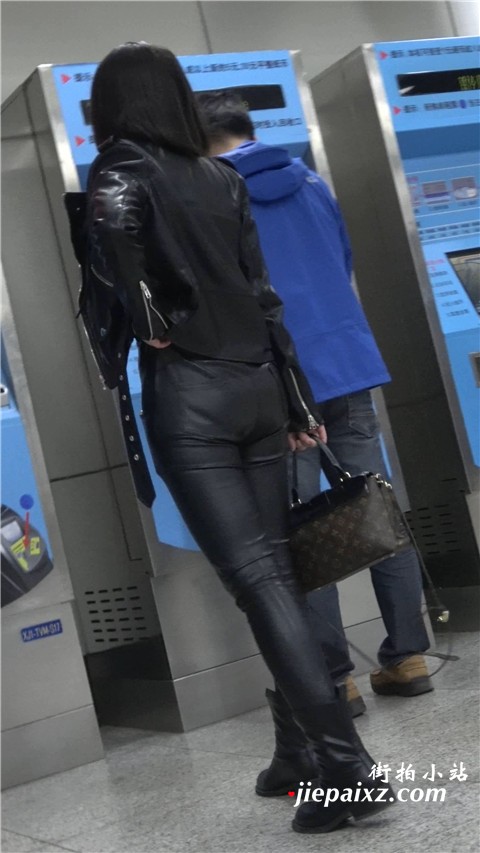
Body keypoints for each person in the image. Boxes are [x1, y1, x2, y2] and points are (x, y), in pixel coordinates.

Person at [71, 42, 396, 835]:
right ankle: (296, 750)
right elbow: (263, 295)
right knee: (275, 571)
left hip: (195, 396)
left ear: (113, 105)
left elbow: (112, 234)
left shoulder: (120, 166)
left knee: (259, 580)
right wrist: (295, 399)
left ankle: (346, 768)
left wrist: (153, 320)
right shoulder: (219, 177)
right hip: (257, 387)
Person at [198, 89, 432, 787]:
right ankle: (408, 656)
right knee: (375, 504)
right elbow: (343, 260)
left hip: (283, 380)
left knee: (300, 528)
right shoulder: (310, 180)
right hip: (348, 360)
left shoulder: (215, 194)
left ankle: (335, 679)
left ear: (201, 140)